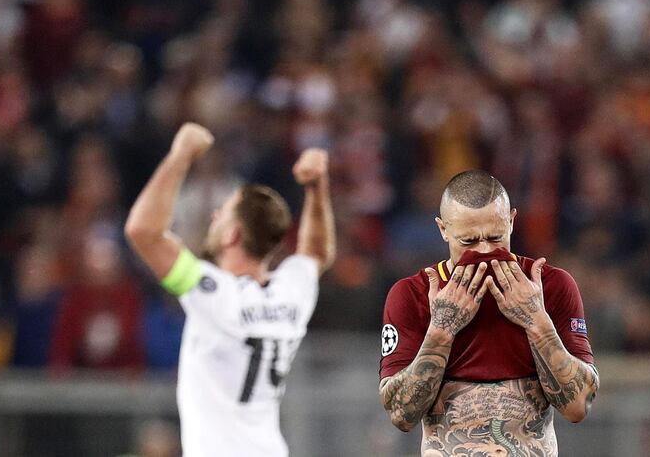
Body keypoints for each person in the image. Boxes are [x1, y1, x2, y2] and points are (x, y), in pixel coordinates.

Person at [125, 122, 335, 457]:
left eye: (222, 213)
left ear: (231, 235)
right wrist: (316, 186)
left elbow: (143, 232)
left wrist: (181, 155)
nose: (214, 214)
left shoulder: (213, 293)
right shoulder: (290, 291)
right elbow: (316, 252)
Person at [379, 169, 599, 456]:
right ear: (443, 229)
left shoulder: (551, 286)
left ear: (511, 221)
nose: (484, 251)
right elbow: (401, 414)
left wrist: (536, 320)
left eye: (495, 237)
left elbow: (578, 406)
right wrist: (442, 330)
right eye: (468, 241)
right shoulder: (412, 294)